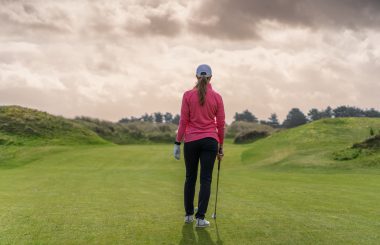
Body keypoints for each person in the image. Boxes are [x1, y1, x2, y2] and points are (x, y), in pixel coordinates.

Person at [173, 64, 225, 228]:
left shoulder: (188, 95)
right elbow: (221, 124)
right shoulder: (217, 97)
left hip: (191, 141)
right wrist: (221, 146)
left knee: (190, 178)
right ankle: (200, 218)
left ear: (196, 77)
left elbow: (183, 121)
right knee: (206, 180)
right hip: (210, 140)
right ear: (211, 78)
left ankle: (189, 215)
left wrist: (177, 142)